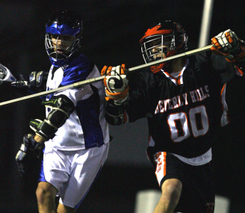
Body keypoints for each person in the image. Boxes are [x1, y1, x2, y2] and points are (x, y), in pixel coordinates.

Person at [101, 20, 245, 213]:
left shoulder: (204, 64)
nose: (153, 52)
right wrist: (116, 98)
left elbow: (240, 65)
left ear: (177, 42)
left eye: (159, 44)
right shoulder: (149, 82)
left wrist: (237, 48)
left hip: (203, 154)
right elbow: (117, 118)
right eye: (150, 47)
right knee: (171, 190)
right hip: (168, 151)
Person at [12, 10, 110, 213]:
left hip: (87, 148)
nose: (58, 43)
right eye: (55, 37)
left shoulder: (83, 67)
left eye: (65, 38)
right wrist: (23, 83)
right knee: (43, 192)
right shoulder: (56, 67)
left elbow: (62, 106)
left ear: (76, 40)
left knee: (64, 210)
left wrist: (36, 141)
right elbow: (51, 92)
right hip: (57, 145)